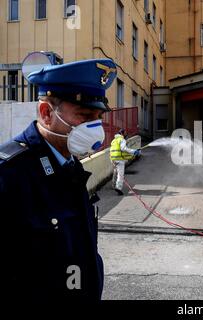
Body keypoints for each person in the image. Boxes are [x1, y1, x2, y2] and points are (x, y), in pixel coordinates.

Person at [0, 59, 117, 301]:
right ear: (46, 113)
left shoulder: (71, 167)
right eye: (84, 115)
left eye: (97, 116)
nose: (95, 127)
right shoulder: (10, 173)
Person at [110, 129, 141, 196]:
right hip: (119, 159)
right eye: (125, 133)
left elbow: (112, 150)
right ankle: (118, 188)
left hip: (113, 159)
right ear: (122, 133)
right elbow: (124, 149)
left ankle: (113, 185)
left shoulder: (114, 140)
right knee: (120, 175)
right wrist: (134, 151)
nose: (126, 134)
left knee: (115, 172)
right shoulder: (122, 140)